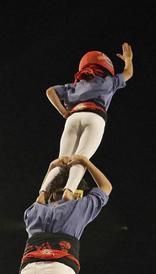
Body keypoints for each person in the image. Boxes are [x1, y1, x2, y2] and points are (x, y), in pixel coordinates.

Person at [40, 43, 133, 201]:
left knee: (62, 159)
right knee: (81, 158)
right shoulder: (108, 81)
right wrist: (128, 60)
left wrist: (64, 112)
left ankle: (42, 195)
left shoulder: (75, 85)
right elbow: (128, 73)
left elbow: (50, 91)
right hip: (95, 117)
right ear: (106, 67)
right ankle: (69, 191)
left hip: (73, 118)